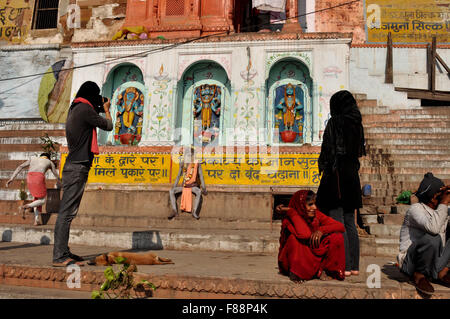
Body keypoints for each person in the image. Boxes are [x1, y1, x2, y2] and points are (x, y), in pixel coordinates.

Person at [52, 81, 113, 267]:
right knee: (67, 213)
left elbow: (94, 115)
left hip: (74, 165)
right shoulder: (85, 111)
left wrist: (99, 106)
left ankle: (63, 251)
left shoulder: (77, 108)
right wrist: (107, 108)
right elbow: (108, 125)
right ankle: (60, 256)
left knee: (67, 212)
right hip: (77, 167)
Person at [315, 90, 366, 277]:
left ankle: (341, 265)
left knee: (337, 221)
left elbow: (328, 152)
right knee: (350, 222)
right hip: (352, 176)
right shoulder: (357, 124)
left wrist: (325, 170)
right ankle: (354, 266)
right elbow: (358, 152)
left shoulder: (335, 122)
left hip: (336, 176)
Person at [397, 172, 450, 296]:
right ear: (433, 197)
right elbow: (433, 228)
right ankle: (419, 275)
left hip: (435, 261)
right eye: (441, 195)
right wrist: (444, 202)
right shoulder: (415, 210)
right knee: (433, 237)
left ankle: (442, 272)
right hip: (411, 263)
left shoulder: (442, 209)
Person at [277, 190, 346, 282]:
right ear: (301, 206)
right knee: (293, 239)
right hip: (298, 258)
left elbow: (340, 226)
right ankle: (297, 272)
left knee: (336, 237)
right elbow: (305, 235)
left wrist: (321, 230)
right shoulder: (290, 218)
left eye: (314, 204)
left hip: (312, 252)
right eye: (310, 205)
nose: (314, 207)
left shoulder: (316, 215)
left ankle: (325, 270)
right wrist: (292, 212)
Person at [6, 153, 62, 226]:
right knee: (42, 200)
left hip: (29, 178)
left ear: (40, 156)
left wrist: (11, 178)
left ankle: (36, 220)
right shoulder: (49, 162)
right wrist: (62, 183)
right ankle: (27, 206)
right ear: (48, 158)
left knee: (36, 199)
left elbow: (20, 166)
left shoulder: (33, 158)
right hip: (38, 178)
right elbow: (56, 175)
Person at [169, 147, 207, 220]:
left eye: (190, 155)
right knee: (171, 191)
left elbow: (201, 176)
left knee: (198, 192)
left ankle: (194, 212)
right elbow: (178, 176)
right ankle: (174, 211)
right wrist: (174, 186)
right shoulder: (182, 164)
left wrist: (204, 187)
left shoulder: (196, 164)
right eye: (187, 155)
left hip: (193, 186)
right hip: (184, 186)